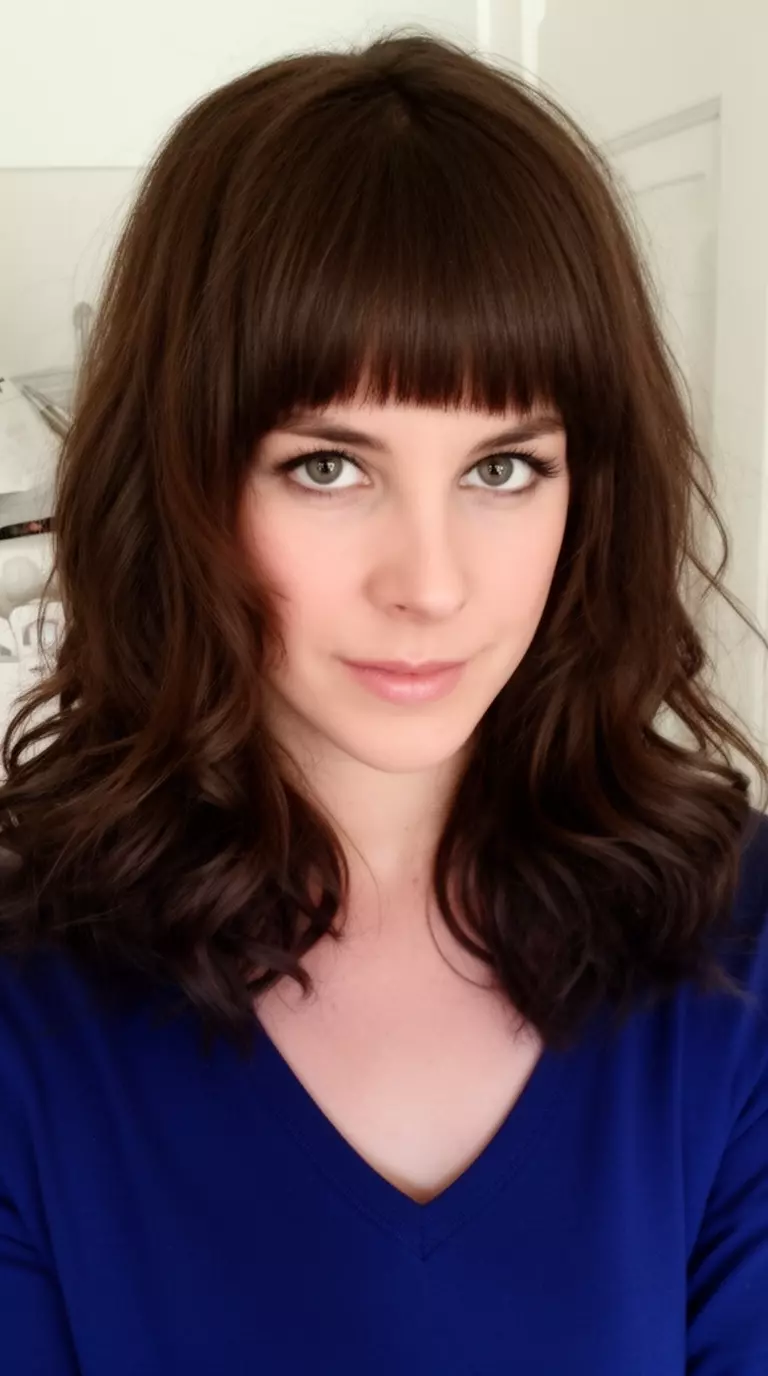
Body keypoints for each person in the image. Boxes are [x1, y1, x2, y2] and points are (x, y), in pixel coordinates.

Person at [0, 26, 767, 1376]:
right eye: (328, 467)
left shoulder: (736, 953)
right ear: (183, 484)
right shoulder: (33, 996)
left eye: (504, 469)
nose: (431, 585)